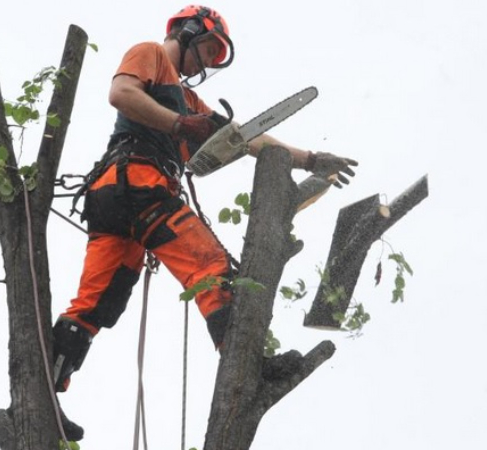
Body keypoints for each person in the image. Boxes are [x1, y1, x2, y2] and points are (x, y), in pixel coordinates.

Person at [52, 5, 358, 441]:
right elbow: (121, 94)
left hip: (115, 200)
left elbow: (245, 137)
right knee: (211, 268)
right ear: (190, 30)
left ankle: (47, 390)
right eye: (207, 50)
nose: (205, 63)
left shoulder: (189, 99)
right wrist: (181, 124)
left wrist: (308, 158)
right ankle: (249, 365)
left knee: (98, 303)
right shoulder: (151, 55)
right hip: (138, 183)